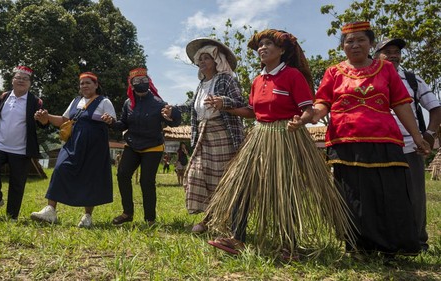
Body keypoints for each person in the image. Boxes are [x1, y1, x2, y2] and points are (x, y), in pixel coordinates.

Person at [204, 29, 353, 259]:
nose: (262, 48)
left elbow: (308, 110)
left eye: (268, 44)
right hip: (258, 137)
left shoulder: (293, 76)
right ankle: (237, 238)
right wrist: (224, 106)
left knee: (285, 191)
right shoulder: (257, 80)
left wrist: (300, 121)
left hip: (286, 138)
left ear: (282, 50)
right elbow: (252, 112)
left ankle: (289, 245)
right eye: (260, 45)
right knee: (241, 186)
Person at [312, 22, 431, 258]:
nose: (355, 45)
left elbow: (401, 104)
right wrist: (311, 115)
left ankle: (392, 247)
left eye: (360, 40)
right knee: (353, 194)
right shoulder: (333, 72)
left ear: (371, 44)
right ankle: (359, 247)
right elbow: (322, 103)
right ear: (343, 46)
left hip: (384, 140)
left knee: (389, 192)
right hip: (345, 141)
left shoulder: (385, 69)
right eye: (349, 41)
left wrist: (418, 137)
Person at [172, 37, 245, 234]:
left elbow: (240, 102)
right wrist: (173, 111)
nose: (202, 62)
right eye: (200, 59)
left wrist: (223, 101)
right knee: (197, 174)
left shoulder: (226, 80)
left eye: (207, 58)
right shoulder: (201, 85)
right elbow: (193, 108)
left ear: (217, 61)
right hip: (203, 135)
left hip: (223, 134)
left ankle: (216, 219)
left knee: (221, 178)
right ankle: (210, 216)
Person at [374, 38, 441, 252]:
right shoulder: (370, 78)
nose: (393, 55)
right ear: (375, 56)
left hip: (410, 146)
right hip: (379, 145)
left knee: (415, 196)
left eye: (396, 52)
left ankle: (418, 242)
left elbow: (436, 107)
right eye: (387, 52)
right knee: (382, 194)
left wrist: (429, 134)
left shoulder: (412, 79)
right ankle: (387, 242)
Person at [30, 72, 115, 227]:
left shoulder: (104, 101)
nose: (84, 86)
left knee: (90, 177)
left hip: (95, 147)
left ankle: (87, 217)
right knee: (60, 169)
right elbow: (64, 120)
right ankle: (50, 211)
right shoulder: (76, 101)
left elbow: (112, 121)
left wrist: (109, 120)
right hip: (73, 143)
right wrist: (47, 117)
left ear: (96, 85)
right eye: (82, 83)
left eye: (88, 83)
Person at [104, 68, 181, 226]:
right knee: (122, 174)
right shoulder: (128, 103)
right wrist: (112, 122)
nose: (141, 83)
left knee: (147, 182)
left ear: (149, 82)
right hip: (132, 145)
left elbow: (173, 123)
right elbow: (123, 124)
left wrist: (173, 114)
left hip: (153, 147)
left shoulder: (159, 103)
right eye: (137, 81)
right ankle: (127, 213)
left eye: (144, 80)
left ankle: (150, 219)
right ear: (131, 85)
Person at [0, 66, 45, 220]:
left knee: (17, 183)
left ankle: (11, 217)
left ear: (30, 84)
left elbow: (42, 123)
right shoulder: (4, 97)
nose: (21, 81)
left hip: (21, 149)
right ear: (12, 80)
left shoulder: (35, 101)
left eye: (25, 79)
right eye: (18, 78)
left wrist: (44, 121)